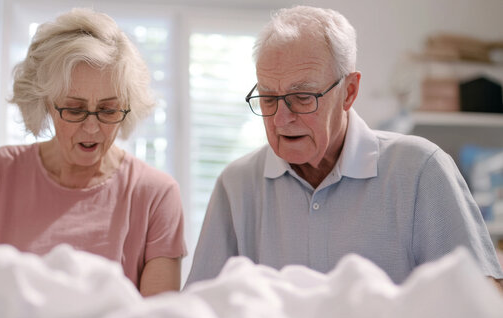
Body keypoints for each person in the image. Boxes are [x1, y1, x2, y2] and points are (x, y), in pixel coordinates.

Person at [186, 5, 503, 291]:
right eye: (268, 98)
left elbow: (479, 304)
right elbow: (201, 316)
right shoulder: (236, 185)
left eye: (303, 97)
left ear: (349, 92)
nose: (282, 119)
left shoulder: (420, 169)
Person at [0, 8, 186, 296]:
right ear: (46, 103)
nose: (92, 128)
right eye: (74, 109)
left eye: (108, 110)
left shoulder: (155, 194)